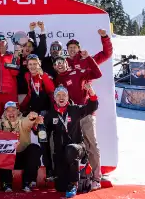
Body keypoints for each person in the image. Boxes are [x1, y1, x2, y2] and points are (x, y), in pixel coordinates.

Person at [65, 29, 112, 188]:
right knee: (74, 146)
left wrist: (104, 37)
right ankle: (77, 178)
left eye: (74, 47)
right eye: (70, 48)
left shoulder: (86, 59)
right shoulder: (63, 64)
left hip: (87, 110)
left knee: (91, 144)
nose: (72, 50)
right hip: (71, 113)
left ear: (78, 49)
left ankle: (96, 178)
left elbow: (106, 54)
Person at [45, 85, 99, 198]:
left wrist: (91, 92)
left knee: (71, 149)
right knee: (60, 187)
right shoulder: (50, 114)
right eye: (58, 95)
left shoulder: (75, 109)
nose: (61, 97)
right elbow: (43, 133)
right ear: (54, 98)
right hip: (61, 152)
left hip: (77, 147)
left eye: (64, 95)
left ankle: (74, 183)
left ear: (68, 97)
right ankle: (68, 181)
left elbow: (92, 106)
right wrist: (38, 125)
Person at [0, 102, 42, 193]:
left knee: (34, 148)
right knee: (1, 150)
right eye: (8, 111)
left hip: (23, 159)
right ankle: (6, 184)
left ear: (18, 111)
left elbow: (28, 120)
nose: (11, 113)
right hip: (8, 159)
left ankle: (26, 183)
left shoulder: (23, 120)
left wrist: (33, 116)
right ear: (5, 113)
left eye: (13, 110)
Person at [16, 21, 47, 104]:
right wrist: (31, 31)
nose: (27, 48)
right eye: (25, 45)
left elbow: (42, 48)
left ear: (33, 49)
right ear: (22, 47)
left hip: (35, 93)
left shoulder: (35, 58)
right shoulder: (17, 57)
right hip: (21, 93)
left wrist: (42, 30)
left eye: (29, 46)